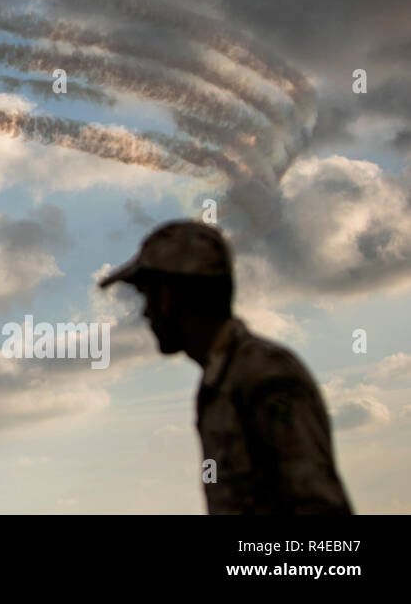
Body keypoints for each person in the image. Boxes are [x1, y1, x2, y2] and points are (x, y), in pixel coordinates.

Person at [99, 220, 352, 514]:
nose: (145, 312)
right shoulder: (222, 381)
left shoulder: (266, 374)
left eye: (148, 295)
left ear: (167, 297)